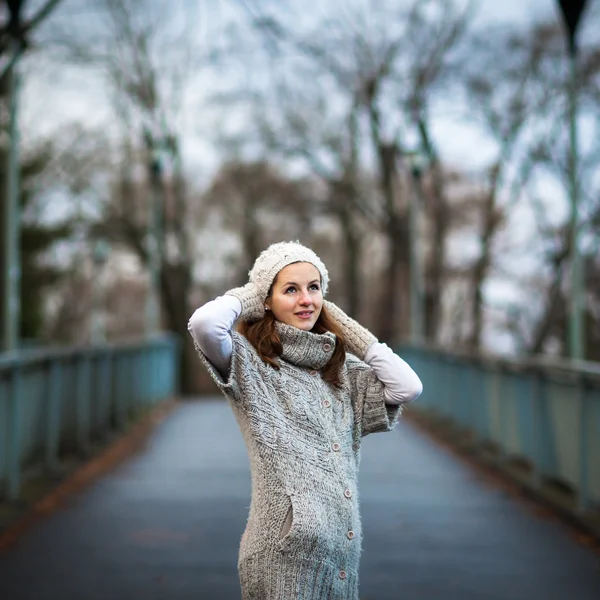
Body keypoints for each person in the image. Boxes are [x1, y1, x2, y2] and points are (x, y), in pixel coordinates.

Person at [188, 241, 422, 600]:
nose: (306, 299)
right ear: (266, 298)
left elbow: (407, 387)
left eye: (314, 288)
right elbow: (204, 324)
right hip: (283, 554)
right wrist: (252, 293)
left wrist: (345, 326)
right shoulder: (250, 364)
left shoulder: (343, 372)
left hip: (339, 554)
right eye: (290, 290)